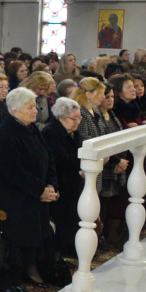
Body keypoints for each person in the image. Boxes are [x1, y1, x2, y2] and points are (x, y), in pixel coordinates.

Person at [0, 88, 58, 292]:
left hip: (33, 193)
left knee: (38, 232)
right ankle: (9, 283)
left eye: (34, 106)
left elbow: (48, 156)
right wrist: (40, 190)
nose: (36, 110)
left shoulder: (31, 128)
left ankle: (27, 273)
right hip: (13, 197)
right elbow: (13, 172)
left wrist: (50, 185)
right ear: (15, 111)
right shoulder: (5, 134)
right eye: (30, 107)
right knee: (18, 238)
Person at [42, 98, 83, 261]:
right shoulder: (51, 132)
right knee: (64, 219)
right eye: (74, 119)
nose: (77, 122)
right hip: (60, 181)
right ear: (61, 116)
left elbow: (79, 151)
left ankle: (72, 249)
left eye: (79, 118)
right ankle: (62, 253)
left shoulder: (72, 131)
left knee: (74, 216)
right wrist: (83, 163)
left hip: (73, 180)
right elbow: (60, 159)